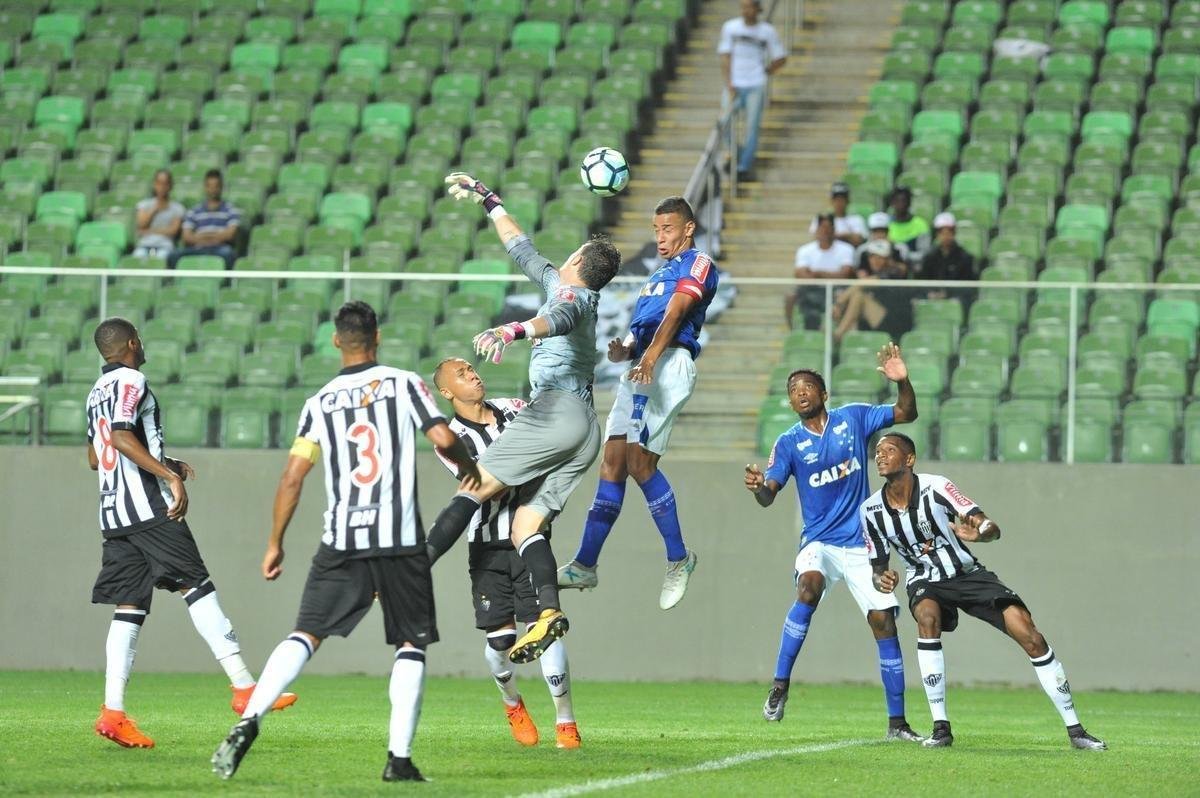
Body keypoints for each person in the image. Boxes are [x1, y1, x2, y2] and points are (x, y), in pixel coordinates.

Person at [211, 302, 482, 782]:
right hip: (399, 539)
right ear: (377, 337)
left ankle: (248, 720)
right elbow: (442, 438)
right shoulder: (403, 383)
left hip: (341, 538)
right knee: (410, 643)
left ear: (337, 341)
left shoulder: (319, 402)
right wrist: (468, 466)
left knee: (305, 634)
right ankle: (399, 760)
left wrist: (274, 543)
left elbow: (292, 477)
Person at [421, 172, 622, 666]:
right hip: (584, 431)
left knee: (474, 486)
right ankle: (549, 612)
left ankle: (412, 567)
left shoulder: (575, 299)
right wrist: (490, 201)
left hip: (556, 409)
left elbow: (558, 320)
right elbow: (523, 250)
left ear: (578, 262)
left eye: (572, 253)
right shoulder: (561, 286)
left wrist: (513, 330)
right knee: (526, 524)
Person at [86, 318, 296, 750]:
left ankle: (113, 713)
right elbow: (122, 438)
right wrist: (168, 477)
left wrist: (165, 460)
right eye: (141, 340)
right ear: (132, 343)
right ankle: (244, 687)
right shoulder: (132, 381)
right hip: (149, 508)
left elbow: (96, 455)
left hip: (114, 512)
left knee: (129, 607)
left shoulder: (95, 392)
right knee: (196, 585)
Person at [863, 433, 1108, 751]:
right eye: (878, 451)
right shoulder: (870, 511)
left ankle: (1076, 731)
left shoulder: (937, 487)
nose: (880, 456)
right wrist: (882, 579)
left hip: (968, 575)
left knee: (1029, 634)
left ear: (909, 459)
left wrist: (981, 533)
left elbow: (989, 526)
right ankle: (940, 729)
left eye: (889, 450)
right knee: (927, 617)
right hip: (924, 580)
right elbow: (878, 568)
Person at [742, 344, 922, 742]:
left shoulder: (853, 418)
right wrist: (758, 488)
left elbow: (906, 413)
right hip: (819, 541)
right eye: (793, 391)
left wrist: (902, 381)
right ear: (791, 403)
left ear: (823, 394)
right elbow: (769, 494)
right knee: (809, 586)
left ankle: (897, 724)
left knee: (884, 622)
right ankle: (780, 684)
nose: (800, 393)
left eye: (807, 386)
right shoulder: (788, 443)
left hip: (862, 543)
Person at [556, 196, 719, 610]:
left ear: (688, 228)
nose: (660, 237)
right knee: (612, 462)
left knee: (639, 463)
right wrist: (627, 351)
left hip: (667, 364)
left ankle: (679, 558)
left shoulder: (697, 263)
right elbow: (645, 324)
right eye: (656, 230)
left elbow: (678, 313)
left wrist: (648, 358)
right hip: (641, 365)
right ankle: (585, 564)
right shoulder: (657, 274)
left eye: (668, 229)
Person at [431, 357, 580, 749]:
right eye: (461, 374)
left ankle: (565, 721)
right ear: (446, 392)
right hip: (486, 546)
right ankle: (512, 703)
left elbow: (551, 443)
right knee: (500, 642)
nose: (473, 375)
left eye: (471, 369)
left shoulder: (515, 408)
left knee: (545, 628)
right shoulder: (449, 438)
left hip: (528, 537)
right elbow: (487, 482)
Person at [717, 0, 787, 179]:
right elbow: (725, 56)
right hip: (734, 84)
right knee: (723, 124)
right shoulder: (730, 27)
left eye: (749, 7)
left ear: (758, 9)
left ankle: (744, 165)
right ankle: (739, 154)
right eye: (743, 7)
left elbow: (781, 57)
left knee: (752, 128)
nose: (746, 11)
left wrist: (766, 71)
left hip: (755, 84)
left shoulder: (767, 31)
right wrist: (729, 82)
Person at [785, 213, 856, 330]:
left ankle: (837, 332)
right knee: (791, 296)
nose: (825, 231)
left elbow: (845, 275)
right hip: (812, 290)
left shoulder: (846, 249)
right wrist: (829, 275)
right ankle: (792, 329)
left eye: (828, 227)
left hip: (836, 291)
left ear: (834, 229)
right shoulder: (805, 250)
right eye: (822, 227)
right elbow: (799, 274)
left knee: (844, 296)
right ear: (817, 229)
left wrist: (819, 273)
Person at [832, 238, 910, 343]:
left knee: (859, 296)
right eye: (872, 257)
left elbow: (862, 284)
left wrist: (839, 303)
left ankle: (837, 336)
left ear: (888, 259)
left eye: (880, 257)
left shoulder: (895, 271)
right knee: (852, 297)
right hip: (877, 318)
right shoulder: (871, 272)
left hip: (897, 322)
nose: (875, 261)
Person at [169, 169, 239, 269]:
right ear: (205, 187)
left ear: (221, 187)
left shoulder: (231, 210)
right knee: (174, 255)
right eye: (209, 186)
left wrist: (202, 237)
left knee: (228, 254)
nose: (213, 190)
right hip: (198, 248)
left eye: (216, 186)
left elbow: (230, 235)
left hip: (219, 249)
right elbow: (187, 236)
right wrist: (212, 238)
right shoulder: (194, 211)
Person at [917, 211, 976, 305]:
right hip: (932, 299)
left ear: (954, 233)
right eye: (942, 233)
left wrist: (948, 295)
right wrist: (930, 293)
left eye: (949, 232)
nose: (946, 236)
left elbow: (968, 287)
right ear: (937, 235)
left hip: (956, 301)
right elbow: (923, 281)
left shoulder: (965, 258)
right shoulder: (929, 257)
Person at [132, 169, 184, 259]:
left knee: (161, 259)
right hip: (144, 246)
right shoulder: (144, 205)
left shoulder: (178, 208)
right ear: (154, 184)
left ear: (171, 185)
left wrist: (149, 231)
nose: (162, 187)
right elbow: (141, 225)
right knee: (137, 257)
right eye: (159, 183)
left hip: (165, 247)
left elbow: (173, 231)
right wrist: (154, 210)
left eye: (165, 184)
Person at [809, 182, 867, 246]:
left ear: (848, 201)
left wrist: (832, 236)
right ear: (831, 201)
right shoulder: (822, 219)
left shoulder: (857, 219)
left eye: (842, 199)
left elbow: (858, 240)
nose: (839, 203)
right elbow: (817, 238)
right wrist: (847, 236)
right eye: (836, 199)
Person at [886, 186, 931, 268]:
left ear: (909, 203)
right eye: (897, 201)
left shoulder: (920, 224)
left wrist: (907, 256)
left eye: (904, 200)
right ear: (892, 203)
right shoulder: (886, 224)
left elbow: (924, 253)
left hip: (914, 266)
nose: (900, 204)